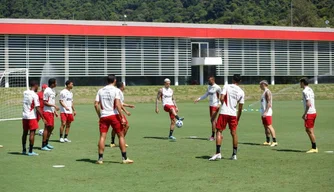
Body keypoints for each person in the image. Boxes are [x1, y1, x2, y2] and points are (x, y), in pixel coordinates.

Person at [94, 74, 133, 164]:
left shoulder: (100, 90)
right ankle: (124, 158)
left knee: (102, 137)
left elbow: (96, 104)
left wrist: (99, 115)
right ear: (114, 80)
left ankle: (100, 159)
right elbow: (118, 105)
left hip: (104, 116)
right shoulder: (116, 90)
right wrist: (122, 117)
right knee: (121, 136)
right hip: (113, 115)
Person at [209, 74, 245, 161]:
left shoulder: (226, 86)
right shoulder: (241, 92)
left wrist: (224, 103)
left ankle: (218, 153)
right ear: (239, 81)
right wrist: (238, 118)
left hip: (224, 112)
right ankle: (234, 154)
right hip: (233, 114)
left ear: (232, 80)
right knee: (234, 133)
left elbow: (221, 98)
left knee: (219, 131)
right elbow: (240, 108)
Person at [22, 81, 46, 156]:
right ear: (35, 85)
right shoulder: (35, 95)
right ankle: (30, 151)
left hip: (24, 116)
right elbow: (38, 108)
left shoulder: (25, 92)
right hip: (31, 116)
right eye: (37, 86)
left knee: (25, 133)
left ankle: (23, 149)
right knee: (32, 133)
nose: (38, 88)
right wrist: (43, 118)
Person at [194, 76, 221, 141]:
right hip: (210, 105)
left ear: (213, 80)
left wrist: (219, 104)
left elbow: (222, 95)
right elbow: (206, 95)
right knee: (213, 120)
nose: (208, 81)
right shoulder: (209, 87)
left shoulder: (217, 87)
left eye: (209, 80)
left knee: (212, 120)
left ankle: (212, 136)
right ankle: (219, 134)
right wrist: (199, 99)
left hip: (215, 105)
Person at [110, 82, 135, 148]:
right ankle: (120, 141)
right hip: (117, 112)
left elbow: (121, 103)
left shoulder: (119, 92)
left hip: (117, 112)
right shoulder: (118, 92)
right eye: (124, 85)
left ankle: (115, 142)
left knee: (117, 127)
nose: (125, 86)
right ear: (122, 86)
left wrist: (129, 105)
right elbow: (119, 104)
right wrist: (126, 111)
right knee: (126, 125)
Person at [300, 78, 318, 153]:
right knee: (310, 130)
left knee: (309, 130)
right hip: (313, 112)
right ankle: (314, 146)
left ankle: (314, 147)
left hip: (310, 113)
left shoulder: (305, 91)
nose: (299, 84)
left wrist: (305, 113)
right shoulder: (310, 89)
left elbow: (308, 103)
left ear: (303, 83)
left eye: (300, 83)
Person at [42, 78, 59, 151]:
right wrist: (54, 106)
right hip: (47, 112)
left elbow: (51, 101)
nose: (56, 84)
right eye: (56, 82)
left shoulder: (53, 91)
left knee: (51, 127)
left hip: (51, 112)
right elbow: (45, 102)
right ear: (53, 83)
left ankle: (47, 142)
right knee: (47, 127)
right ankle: (43, 145)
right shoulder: (47, 91)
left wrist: (55, 111)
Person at [259, 80, 278, 147]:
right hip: (263, 112)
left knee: (269, 126)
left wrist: (266, 112)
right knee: (265, 127)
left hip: (267, 113)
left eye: (260, 84)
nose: (259, 86)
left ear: (264, 84)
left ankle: (275, 141)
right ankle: (268, 141)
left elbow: (269, 103)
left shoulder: (267, 92)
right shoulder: (264, 92)